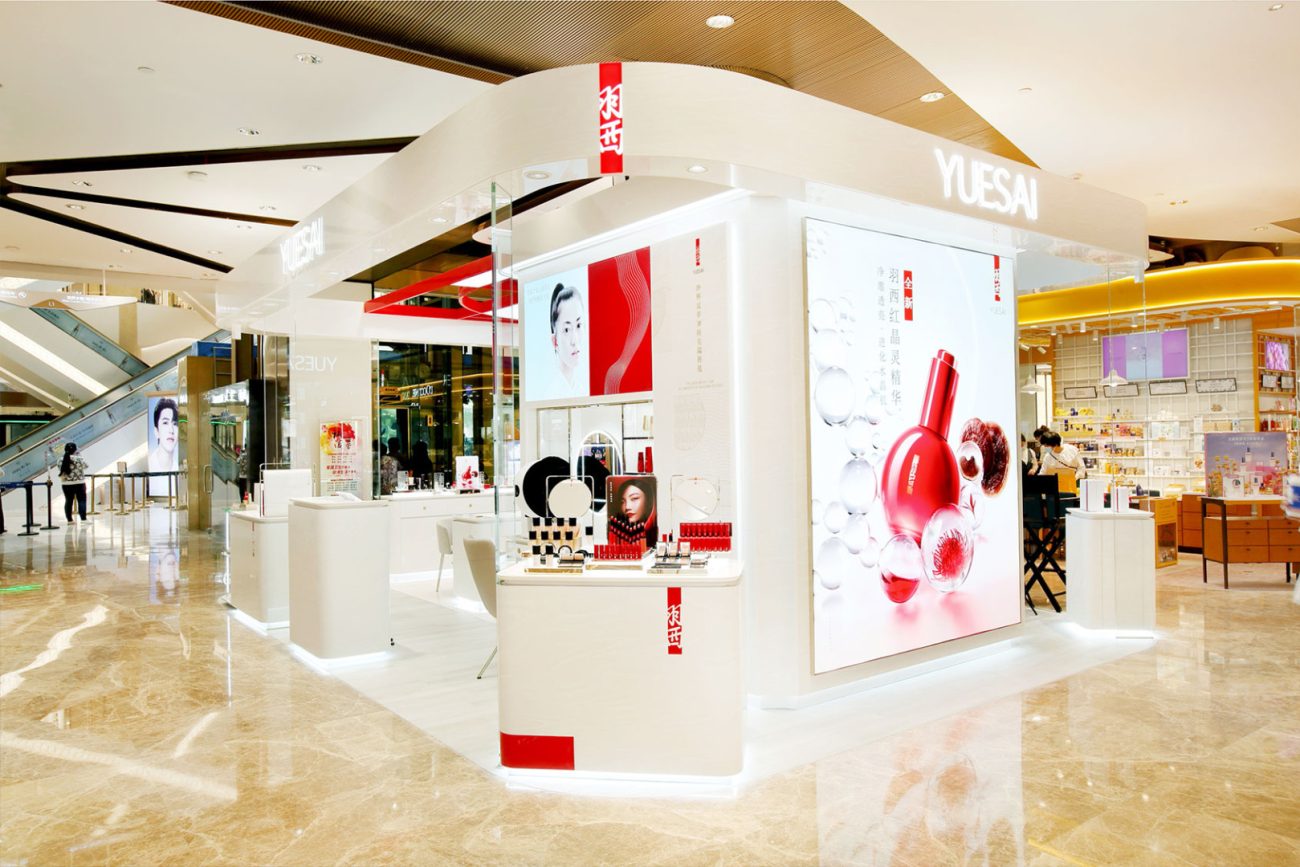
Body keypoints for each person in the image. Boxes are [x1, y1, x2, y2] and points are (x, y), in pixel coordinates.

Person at [549, 283, 585, 391]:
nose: (574, 340)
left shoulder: (580, 388)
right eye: (566, 330)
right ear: (555, 341)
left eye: (578, 325)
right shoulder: (553, 392)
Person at [608, 477, 658, 548]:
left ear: (649, 501)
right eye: (622, 502)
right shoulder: (617, 533)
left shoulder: (653, 533)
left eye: (634, 498)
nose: (627, 507)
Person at [58, 442, 89, 523]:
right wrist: (79, 456)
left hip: (66, 484)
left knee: (68, 501)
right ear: (75, 450)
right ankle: (83, 519)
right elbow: (86, 466)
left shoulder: (60, 460)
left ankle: (69, 520)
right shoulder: (79, 459)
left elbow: (60, 469)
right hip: (79, 483)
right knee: (81, 500)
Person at [148, 398, 179, 473]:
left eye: (175, 424)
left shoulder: (177, 468)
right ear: (156, 431)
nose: (171, 430)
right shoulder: (150, 466)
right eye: (165, 423)